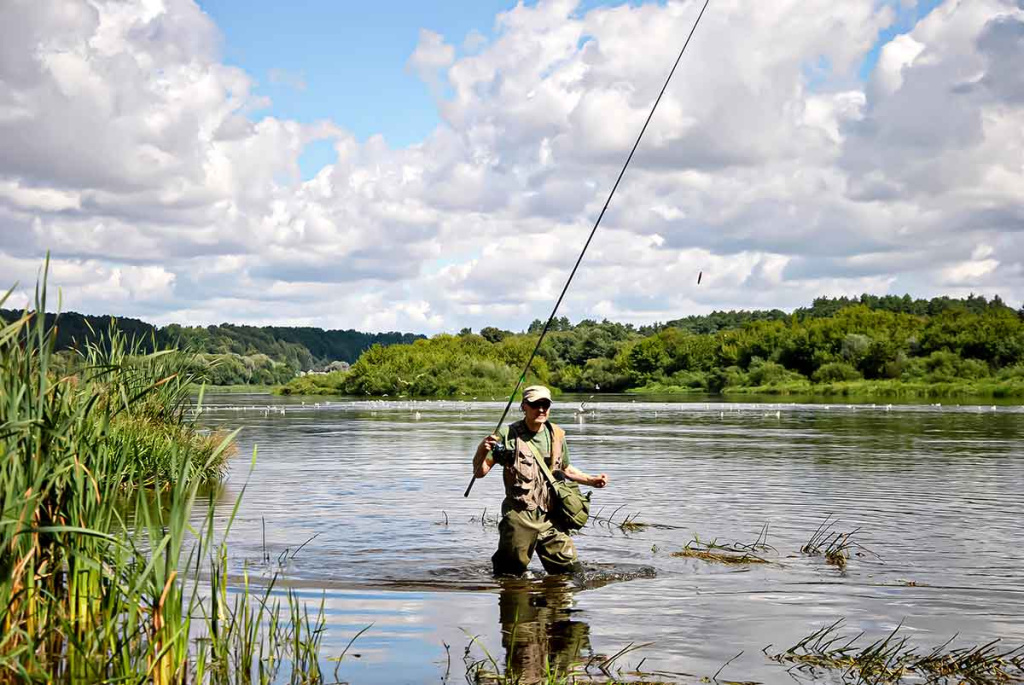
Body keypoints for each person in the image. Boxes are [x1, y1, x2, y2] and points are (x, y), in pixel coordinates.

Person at [472, 385, 609, 576]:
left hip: (550, 516)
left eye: (545, 404)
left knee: (572, 572)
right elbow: (481, 472)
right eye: (536, 404)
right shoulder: (507, 435)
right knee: (509, 575)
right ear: (524, 407)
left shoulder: (557, 435)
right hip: (519, 514)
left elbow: (565, 468)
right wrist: (482, 449)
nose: (542, 409)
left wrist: (591, 480)